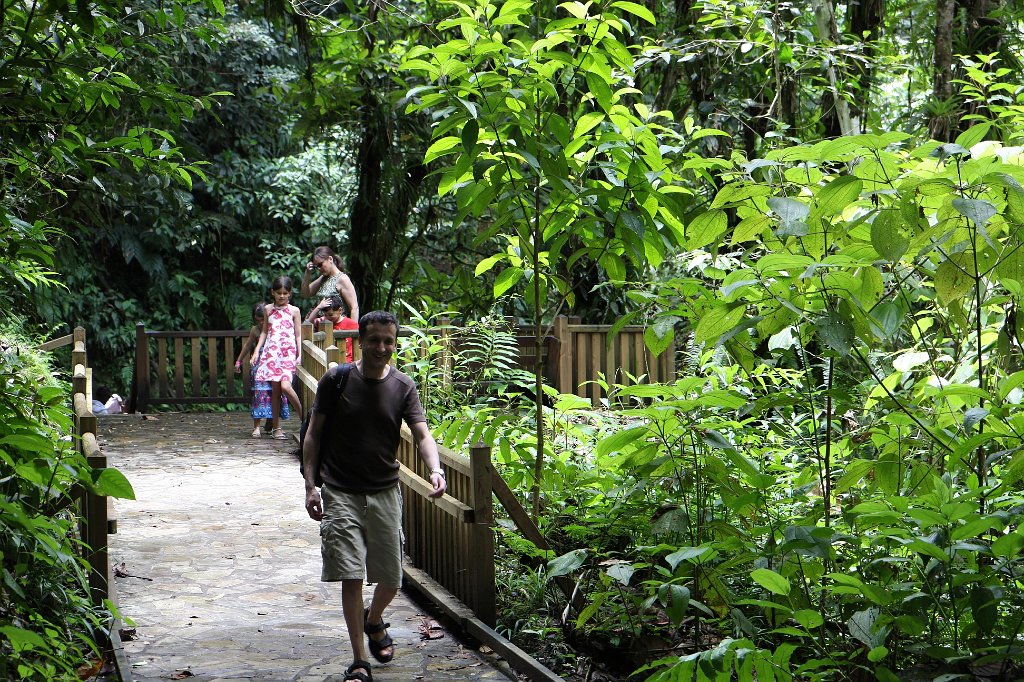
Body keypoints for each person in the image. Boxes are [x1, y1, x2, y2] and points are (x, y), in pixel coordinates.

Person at [302, 311, 446, 682]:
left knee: (392, 577)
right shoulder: (337, 380)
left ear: (394, 343)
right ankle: (359, 661)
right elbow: (313, 434)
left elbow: (422, 434)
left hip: (384, 491)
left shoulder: (403, 386)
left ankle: (374, 618)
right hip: (340, 491)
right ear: (361, 341)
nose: (381, 347)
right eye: (374, 340)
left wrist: (435, 470)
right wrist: (310, 485)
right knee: (350, 575)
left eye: (388, 341)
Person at [250, 276, 302, 440]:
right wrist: (257, 351)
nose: (282, 296)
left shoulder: (294, 311)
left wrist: (299, 354)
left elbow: (298, 334)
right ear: (273, 292)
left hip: (287, 353)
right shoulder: (267, 309)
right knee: (275, 392)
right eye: (279, 293)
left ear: (290, 293)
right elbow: (265, 331)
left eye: (285, 293)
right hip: (271, 354)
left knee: (285, 386)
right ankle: (276, 428)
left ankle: (305, 417)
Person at [235, 301, 290, 438]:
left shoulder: (277, 326)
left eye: (262, 320)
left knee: (275, 393)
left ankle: (272, 423)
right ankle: (257, 427)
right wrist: (239, 361)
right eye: (257, 320)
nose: (260, 322)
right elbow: (247, 345)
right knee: (259, 393)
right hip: (260, 365)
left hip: (275, 363)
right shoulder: (255, 330)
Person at [300, 246, 360, 324]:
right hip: (320, 325)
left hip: (336, 325)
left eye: (320, 264)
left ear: (330, 259)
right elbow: (305, 294)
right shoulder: (323, 278)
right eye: (316, 267)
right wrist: (308, 273)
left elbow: (354, 308)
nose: (319, 269)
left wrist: (353, 329)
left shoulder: (342, 279)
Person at [306, 294, 359, 362]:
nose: (328, 317)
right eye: (325, 315)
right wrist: (318, 307)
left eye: (331, 315)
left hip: (348, 360)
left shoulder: (352, 324)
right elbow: (308, 323)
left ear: (340, 310)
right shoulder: (322, 321)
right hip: (328, 360)